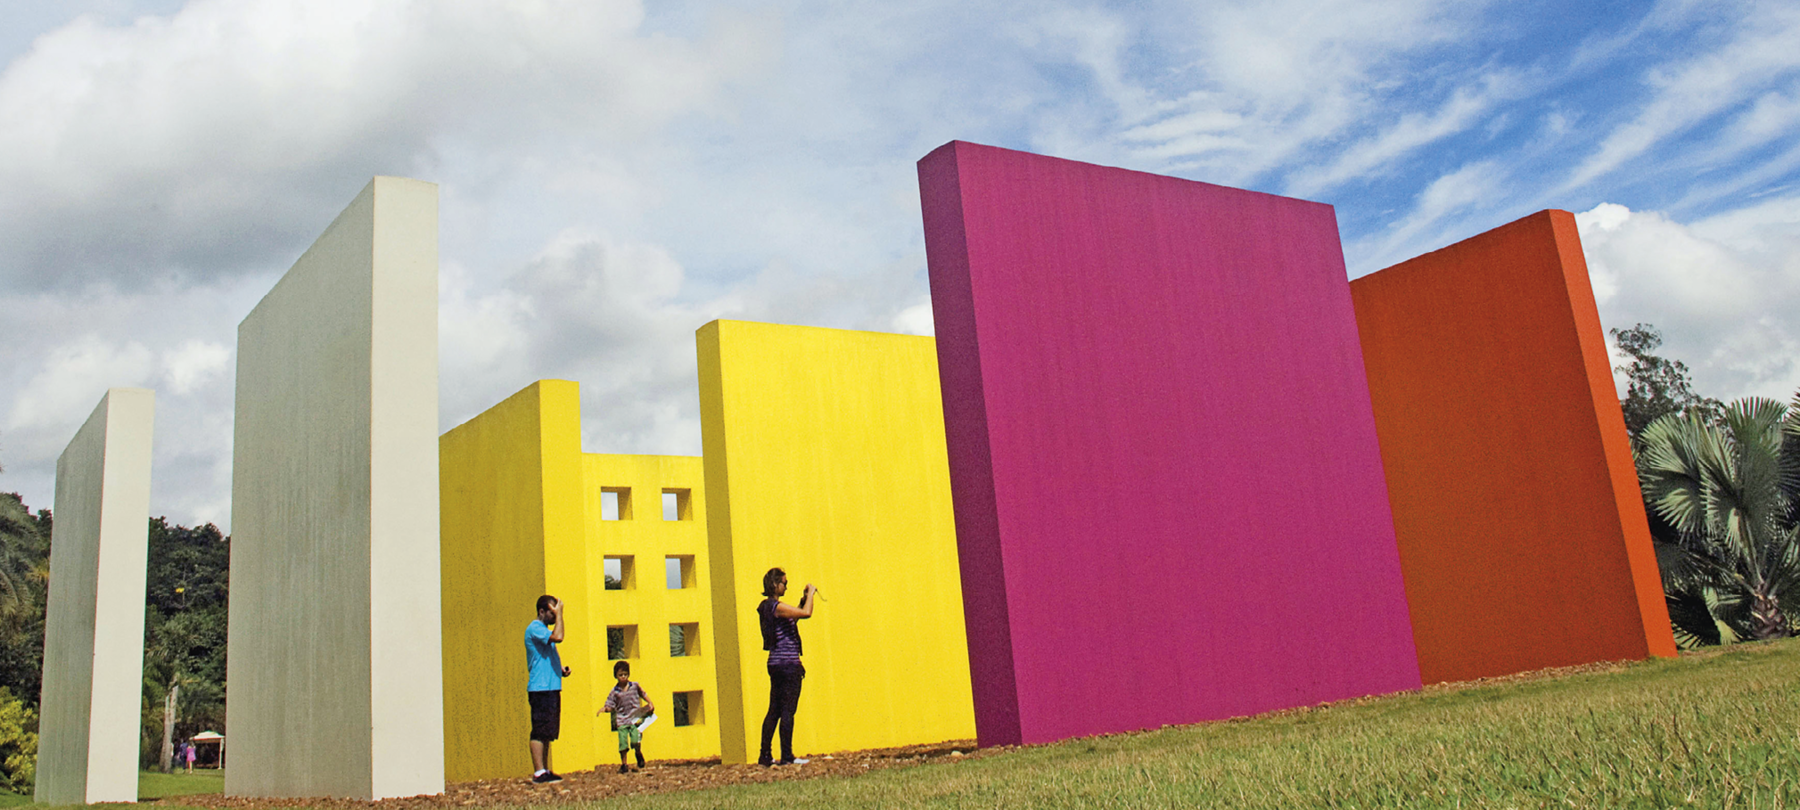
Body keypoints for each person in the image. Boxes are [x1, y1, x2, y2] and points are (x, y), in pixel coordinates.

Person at [756, 567, 816, 766]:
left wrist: (802, 599)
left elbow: (794, 616)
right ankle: (787, 756)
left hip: (776, 663)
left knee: (774, 709)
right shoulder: (775, 607)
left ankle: (765, 754)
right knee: (788, 710)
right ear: (775, 584)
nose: (786, 587)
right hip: (787, 664)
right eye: (784, 583)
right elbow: (806, 613)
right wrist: (812, 594)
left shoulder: (769, 608)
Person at [525, 595, 572, 784]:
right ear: (541, 612)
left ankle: (544, 770)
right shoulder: (535, 628)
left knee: (548, 732)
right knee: (539, 730)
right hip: (540, 688)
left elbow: (547, 653)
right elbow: (559, 637)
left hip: (551, 686)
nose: (554, 617)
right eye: (552, 613)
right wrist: (560, 614)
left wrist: (560, 670)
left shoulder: (543, 632)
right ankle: (538, 772)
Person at [598, 660, 655, 774]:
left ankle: (638, 753)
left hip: (634, 719)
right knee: (623, 743)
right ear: (616, 676)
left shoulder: (634, 686)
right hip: (622, 720)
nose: (623, 677)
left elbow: (643, 694)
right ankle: (624, 764)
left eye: (625, 674)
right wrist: (604, 709)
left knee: (635, 740)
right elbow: (610, 705)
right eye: (620, 675)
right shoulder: (615, 692)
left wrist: (650, 703)